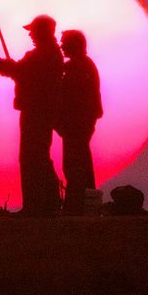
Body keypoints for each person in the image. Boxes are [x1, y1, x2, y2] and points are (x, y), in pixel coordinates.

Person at [0, 15, 63, 216]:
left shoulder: (45, 55)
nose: (30, 34)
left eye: (33, 30)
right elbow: (20, 71)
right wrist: (7, 66)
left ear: (43, 31)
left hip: (37, 112)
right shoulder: (47, 54)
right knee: (38, 157)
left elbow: (20, 71)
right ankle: (44, 204)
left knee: (33, 158)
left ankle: (37, 205)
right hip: (38, 111)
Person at [58, 29, 103, 215]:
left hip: (77, 123)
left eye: (64, 42)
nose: (61, 46)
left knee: (75, 164)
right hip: (80, 122)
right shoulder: (81, 65)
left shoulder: (79, 67)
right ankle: (83, 204)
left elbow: (72, 97)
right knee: (81, 162)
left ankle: (77, 206)